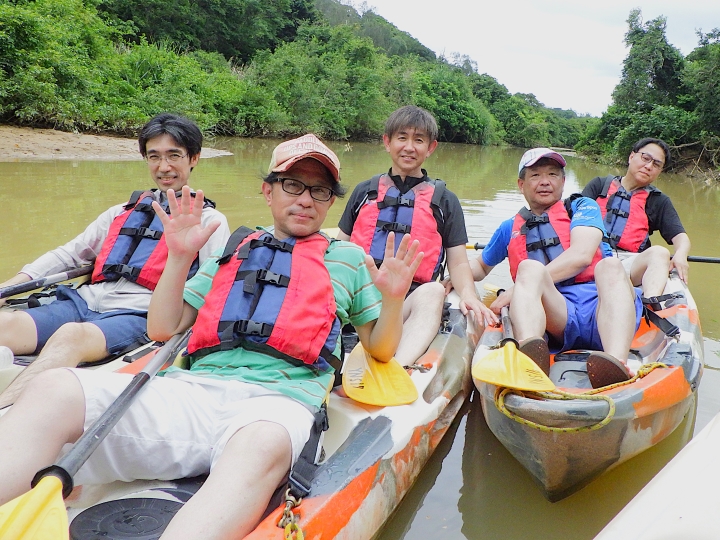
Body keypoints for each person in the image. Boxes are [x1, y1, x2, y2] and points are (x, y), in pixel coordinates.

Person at [0, 134, 423, 539]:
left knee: (260, 444)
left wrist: (393, 298)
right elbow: (163, 328)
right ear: (268, 191)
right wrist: (179, 257)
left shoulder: (347, 259)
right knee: (55, 387)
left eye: (320, 191)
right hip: (191, 392)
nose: (305, 199)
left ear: (331, 202)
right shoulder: (237, 246)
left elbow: (381, 349)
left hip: (277, 404)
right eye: (293, 184)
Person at [0, 113, 230, 409]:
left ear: (194, 158)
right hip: (81, 302)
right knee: (4, 324)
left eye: (174, 155)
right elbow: (68, 254)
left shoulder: (209, 221)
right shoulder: (120, 211)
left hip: (137, 316)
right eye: (154, 156)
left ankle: (6, 414)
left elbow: (214, 287)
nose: (164, 167)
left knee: (71, 336)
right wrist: (8, 288)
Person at [464, 148, 643, 388]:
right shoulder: (509, 228)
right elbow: (480, 266)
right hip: (559, 316)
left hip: (603, 303)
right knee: (529, 267)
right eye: (535, 175)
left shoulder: (582, 207)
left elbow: (581, 256)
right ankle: (530, 356)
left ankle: (615, 362)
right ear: (521, 184)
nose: (545, 181)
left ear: (563, 181)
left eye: (552, 174)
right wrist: (454, 277)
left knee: (610, 265)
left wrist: (515, 290)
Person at [337, 105, 496, 366]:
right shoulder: (364, 192)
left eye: (418, 140)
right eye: (402, 137)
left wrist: (468, 294)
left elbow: (457, 261)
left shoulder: (445, 201)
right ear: (387, 142)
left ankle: (396, 368)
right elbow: (340, 246)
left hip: (406, 303)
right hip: (359, 299)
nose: (409, 147)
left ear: (431, 147)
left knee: (434, 290)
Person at [581, 138, 691, 301]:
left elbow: (681, 237)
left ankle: (650, 306)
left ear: (660, 171)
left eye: (656, 164)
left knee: (660, 252)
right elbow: (572, 221)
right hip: (589, 258)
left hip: (629, 266)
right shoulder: (599, 185)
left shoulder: (658, 201)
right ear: (632, 156)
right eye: (645, 158)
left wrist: (681, 254)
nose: (648, 166)